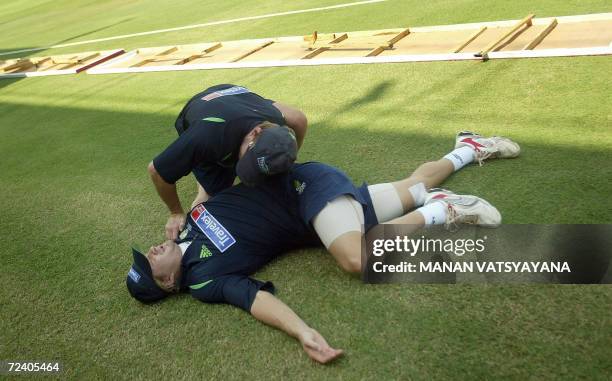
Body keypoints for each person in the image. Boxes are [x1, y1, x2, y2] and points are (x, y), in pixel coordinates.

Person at [127, 131, 520, 364]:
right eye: (150, 264)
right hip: (318, 215)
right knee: (411, 188)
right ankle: (467, 148)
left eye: (145, 255)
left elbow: (210, 183)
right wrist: (301, 331)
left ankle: (442, 209)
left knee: (355, 258)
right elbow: (254, 301)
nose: (151, 251)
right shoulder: (203, 281)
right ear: (168, 284)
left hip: (306, 189)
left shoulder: (188, 223)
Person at [148, 84, 308, 240]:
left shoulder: (276, 118)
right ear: (255, 132)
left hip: (240, 97)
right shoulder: (207, 136)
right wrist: (175, 212)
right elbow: (157, 171)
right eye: (248, 157)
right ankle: (203, 187)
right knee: (211, 195)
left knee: (295, 119)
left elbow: (299, 118)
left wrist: (285, 157)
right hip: (202, 106)